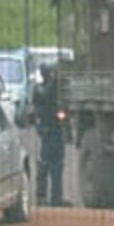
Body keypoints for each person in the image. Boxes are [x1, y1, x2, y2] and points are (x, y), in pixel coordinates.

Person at [32, 64, 66, 206]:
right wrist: (54, 80)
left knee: (57, 165)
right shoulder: (39, 89)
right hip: (47, 131)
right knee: (46, 164)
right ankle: (41, 196)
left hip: (56, 130)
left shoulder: (53, 89)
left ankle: (56, 198)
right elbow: (45, 93)